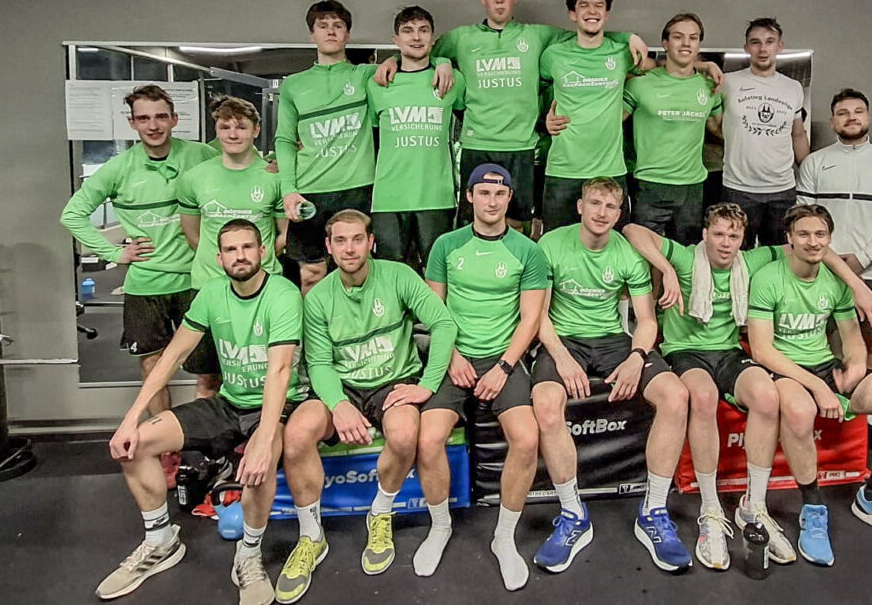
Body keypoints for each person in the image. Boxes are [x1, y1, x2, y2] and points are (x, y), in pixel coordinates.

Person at [623, 203, 872, 568]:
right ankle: (711, 509)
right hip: (686, 351)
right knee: (704, 396)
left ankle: (753, 506)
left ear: (743, 240)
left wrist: (856, 284)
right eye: (718, 234)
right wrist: (665, 268)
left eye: (733, 236)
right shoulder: (685, 258)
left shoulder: (752, 260)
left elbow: (814, 248)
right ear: (705, 235)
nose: (725, 243)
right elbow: (633, 230)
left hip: (728, 351)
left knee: (766, 395)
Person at [97, 219, 307, 605]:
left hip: (276, 404)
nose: (240, 256)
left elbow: (279, 371)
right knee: (136, 443)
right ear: (219, 257)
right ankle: (160, 541)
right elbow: (172, 355)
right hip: (228, 402)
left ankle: (249, 555)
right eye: (231, 249)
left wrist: (264, 440)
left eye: (247, 247)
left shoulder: (282, 294)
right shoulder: (211, 293)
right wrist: (131, 418)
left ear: (262, 252)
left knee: (258, 465)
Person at [376, 0, 647, 229]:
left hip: (521, 147)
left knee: (519, 225)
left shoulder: (538, 36)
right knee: (474, 225)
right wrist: (402, 61)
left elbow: (587, 35)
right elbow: (420, 52)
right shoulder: (461, 38)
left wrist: (628, 38)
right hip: (477, 145)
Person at [279, 210, 456, 591]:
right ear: (328, 247)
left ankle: (380, 512)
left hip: (392, 381)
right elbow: (320, 363)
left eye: (357, 239)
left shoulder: (398, 276)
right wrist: (338, 404)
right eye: (340, 241)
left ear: (371, 242)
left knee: (405, 434)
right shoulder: (318, 298)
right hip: (342, 385)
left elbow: (443, 324)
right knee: (296, 435)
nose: (349, 248)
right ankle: (311, 536)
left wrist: (427, 385)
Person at [747, 205, 872, 567]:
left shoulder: (835, 282)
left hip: (825, 367)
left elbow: (852, 339)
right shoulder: (768, 278)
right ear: (789, 238)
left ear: (829, 239)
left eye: (820, 235)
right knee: (799, 411)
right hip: (785, 370)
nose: (812, 242)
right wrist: (818, 388)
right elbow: (763, 350)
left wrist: (856, 366)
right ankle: (813, 509)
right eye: (803, 234)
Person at [530, 177, 692, 573]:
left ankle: (654, 511)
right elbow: (537, 315)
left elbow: (647, 320)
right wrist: (562, 357)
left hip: (612, 340)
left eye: (610, 207)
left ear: (620, 214)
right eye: (595, 203)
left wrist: (637, 355)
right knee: (546, 404)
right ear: (580, 206)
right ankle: (573, 514)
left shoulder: (627, 254)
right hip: (563, 339)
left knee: (676, 396)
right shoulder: (550, 244)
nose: (602, 213)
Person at [416, 163, 548, 590]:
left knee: (526, 438)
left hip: (501, 359)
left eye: (500, 193)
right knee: (428, 439)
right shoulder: (446, 244)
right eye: (484, 193)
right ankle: (440, 526)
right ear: (470, 196)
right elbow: (434, 312)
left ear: (509, 198)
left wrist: (504, 366)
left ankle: (504, 536)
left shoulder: (528, 251)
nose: (492, 201)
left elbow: (531, 319)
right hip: (452, 355)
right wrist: (451, 356)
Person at [61, 85, 220, 421]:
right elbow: (72, 215)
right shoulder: (119, 168)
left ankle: (207, 439)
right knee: (153, 367)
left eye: (161, 116)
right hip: (146, 286)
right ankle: (165, 440)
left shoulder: (200, 155)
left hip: (198, 281)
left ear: (174, 119)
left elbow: (243, 160)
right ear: (132, 123)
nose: (153, 125)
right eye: (144, 118)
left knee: (209, 371)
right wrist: (114, 254)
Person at [276, 0, 453, 292]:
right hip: (310, 191)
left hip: (359, 190)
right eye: (323, 26)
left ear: (348, 34)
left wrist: (440, 62)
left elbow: (410, 59)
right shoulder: (294, 85)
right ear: (311, 35)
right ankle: (318, 324)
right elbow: (284, 140)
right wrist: (289, 190)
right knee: (311, 274)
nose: (331, 31)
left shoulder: (368, 76)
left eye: (338, 26)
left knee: (357, 271)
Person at [797, 89, 872, 376]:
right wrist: (830, 258)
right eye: (842, 113)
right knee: (816, 342)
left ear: (868, 117)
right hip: (822, 269)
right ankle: (824, 400)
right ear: (833, 121)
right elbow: (803, 219)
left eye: (858, 111)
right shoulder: (814, 162)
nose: (851, 117)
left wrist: (862, 259)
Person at [536, 0, 646, 231]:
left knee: (613, 246)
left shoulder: (623, 53)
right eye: (584, 5)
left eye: (599, 5)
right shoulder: (553, 55)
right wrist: (544, 119)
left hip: (609, 170)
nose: (592, 11)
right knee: (555, 245)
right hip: (563, 171)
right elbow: (532, 92)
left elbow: (663, 69)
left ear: (607, 14)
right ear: (572, 14)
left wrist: (703, 65)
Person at [366, 6, 466, 269]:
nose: (416, 37)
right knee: (390, 275)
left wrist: (443, 61)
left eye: (423, 30)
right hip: (389, 199)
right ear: (395, 40)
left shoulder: (451, 80)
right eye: (408, 31)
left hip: (437, 197)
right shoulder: (378, 84)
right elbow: (370, 139)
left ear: (432, 38)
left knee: (437, 274)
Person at [623, 13, 724, 246]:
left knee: (687, 257)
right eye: (678, 37)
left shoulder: (710, 86)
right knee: (643, 256)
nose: (686, 43)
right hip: (649, 185)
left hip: (692, 189)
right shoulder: (640, 83)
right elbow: (610, 121)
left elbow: (719, 131)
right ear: (665, 43)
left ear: (699, 45)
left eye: (693, 38)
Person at [178, 97, 287, 296]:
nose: (233, 135)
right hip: (209, 284)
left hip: (263, 283)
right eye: (225, 127)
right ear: (217, 130)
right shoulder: (193, 178)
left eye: (241, 128)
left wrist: (260, 258)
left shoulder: (275, 177)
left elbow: (284, 234)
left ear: (256, 130)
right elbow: (193, 236)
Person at [720, 17, 809, 249]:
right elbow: (712, 123)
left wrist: (809, 173)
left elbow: (797, 134)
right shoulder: (727, 82)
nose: (762, 49)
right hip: (738, 188)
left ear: (779, 46)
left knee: (781, 256)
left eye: (769, 41)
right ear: (746, 47)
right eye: (755, 42)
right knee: (737, 256)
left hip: (782, 190)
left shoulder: (793, 88)